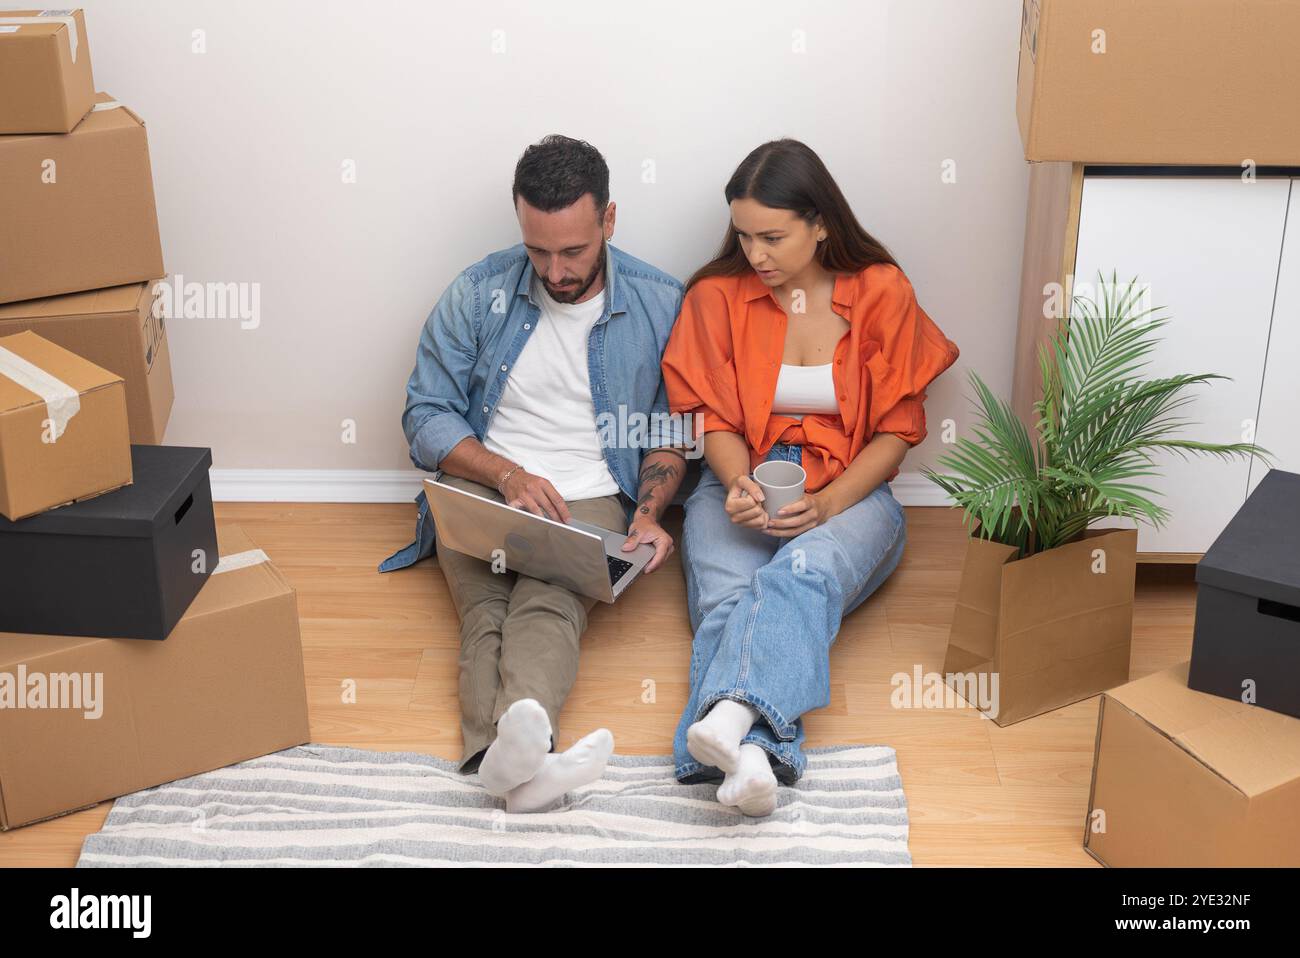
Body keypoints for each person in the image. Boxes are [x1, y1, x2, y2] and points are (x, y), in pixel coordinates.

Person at [380, 135, 687, 812]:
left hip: (594, 490)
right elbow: (426, 415)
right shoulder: (477, 290)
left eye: (573, 250)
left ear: (608, 220)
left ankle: (503, 760)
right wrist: (506, 474)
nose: (554, 270)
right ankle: (526, 767)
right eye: (538, 250)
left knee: (547, 599)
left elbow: (672, 427)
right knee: (485, 600)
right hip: (480, 484)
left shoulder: (662, 301)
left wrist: (648, 515)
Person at [661, 138, 960, 816]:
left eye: (772, 236)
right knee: (726, 596)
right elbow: (714, 421)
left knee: (799, 577)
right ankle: (759, 756)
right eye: (743, 236)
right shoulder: (716, 296)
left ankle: (725, 723)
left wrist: (825, 506)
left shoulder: (881, 290)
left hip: (852, 490)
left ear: (821, 222)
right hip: (741, 480)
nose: (755, 254)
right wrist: (738, 482)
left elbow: (895, 433)